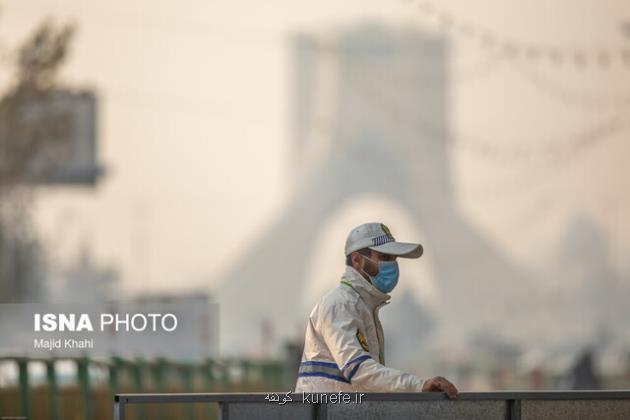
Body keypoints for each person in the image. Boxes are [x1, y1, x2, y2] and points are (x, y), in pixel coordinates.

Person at [295, 222, 458, 398]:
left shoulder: (361, 307)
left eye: (394, 258)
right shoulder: (341, 305)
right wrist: (418, 386)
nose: (392, 265)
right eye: (384, 257)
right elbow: (359, 371)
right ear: (357, 260)